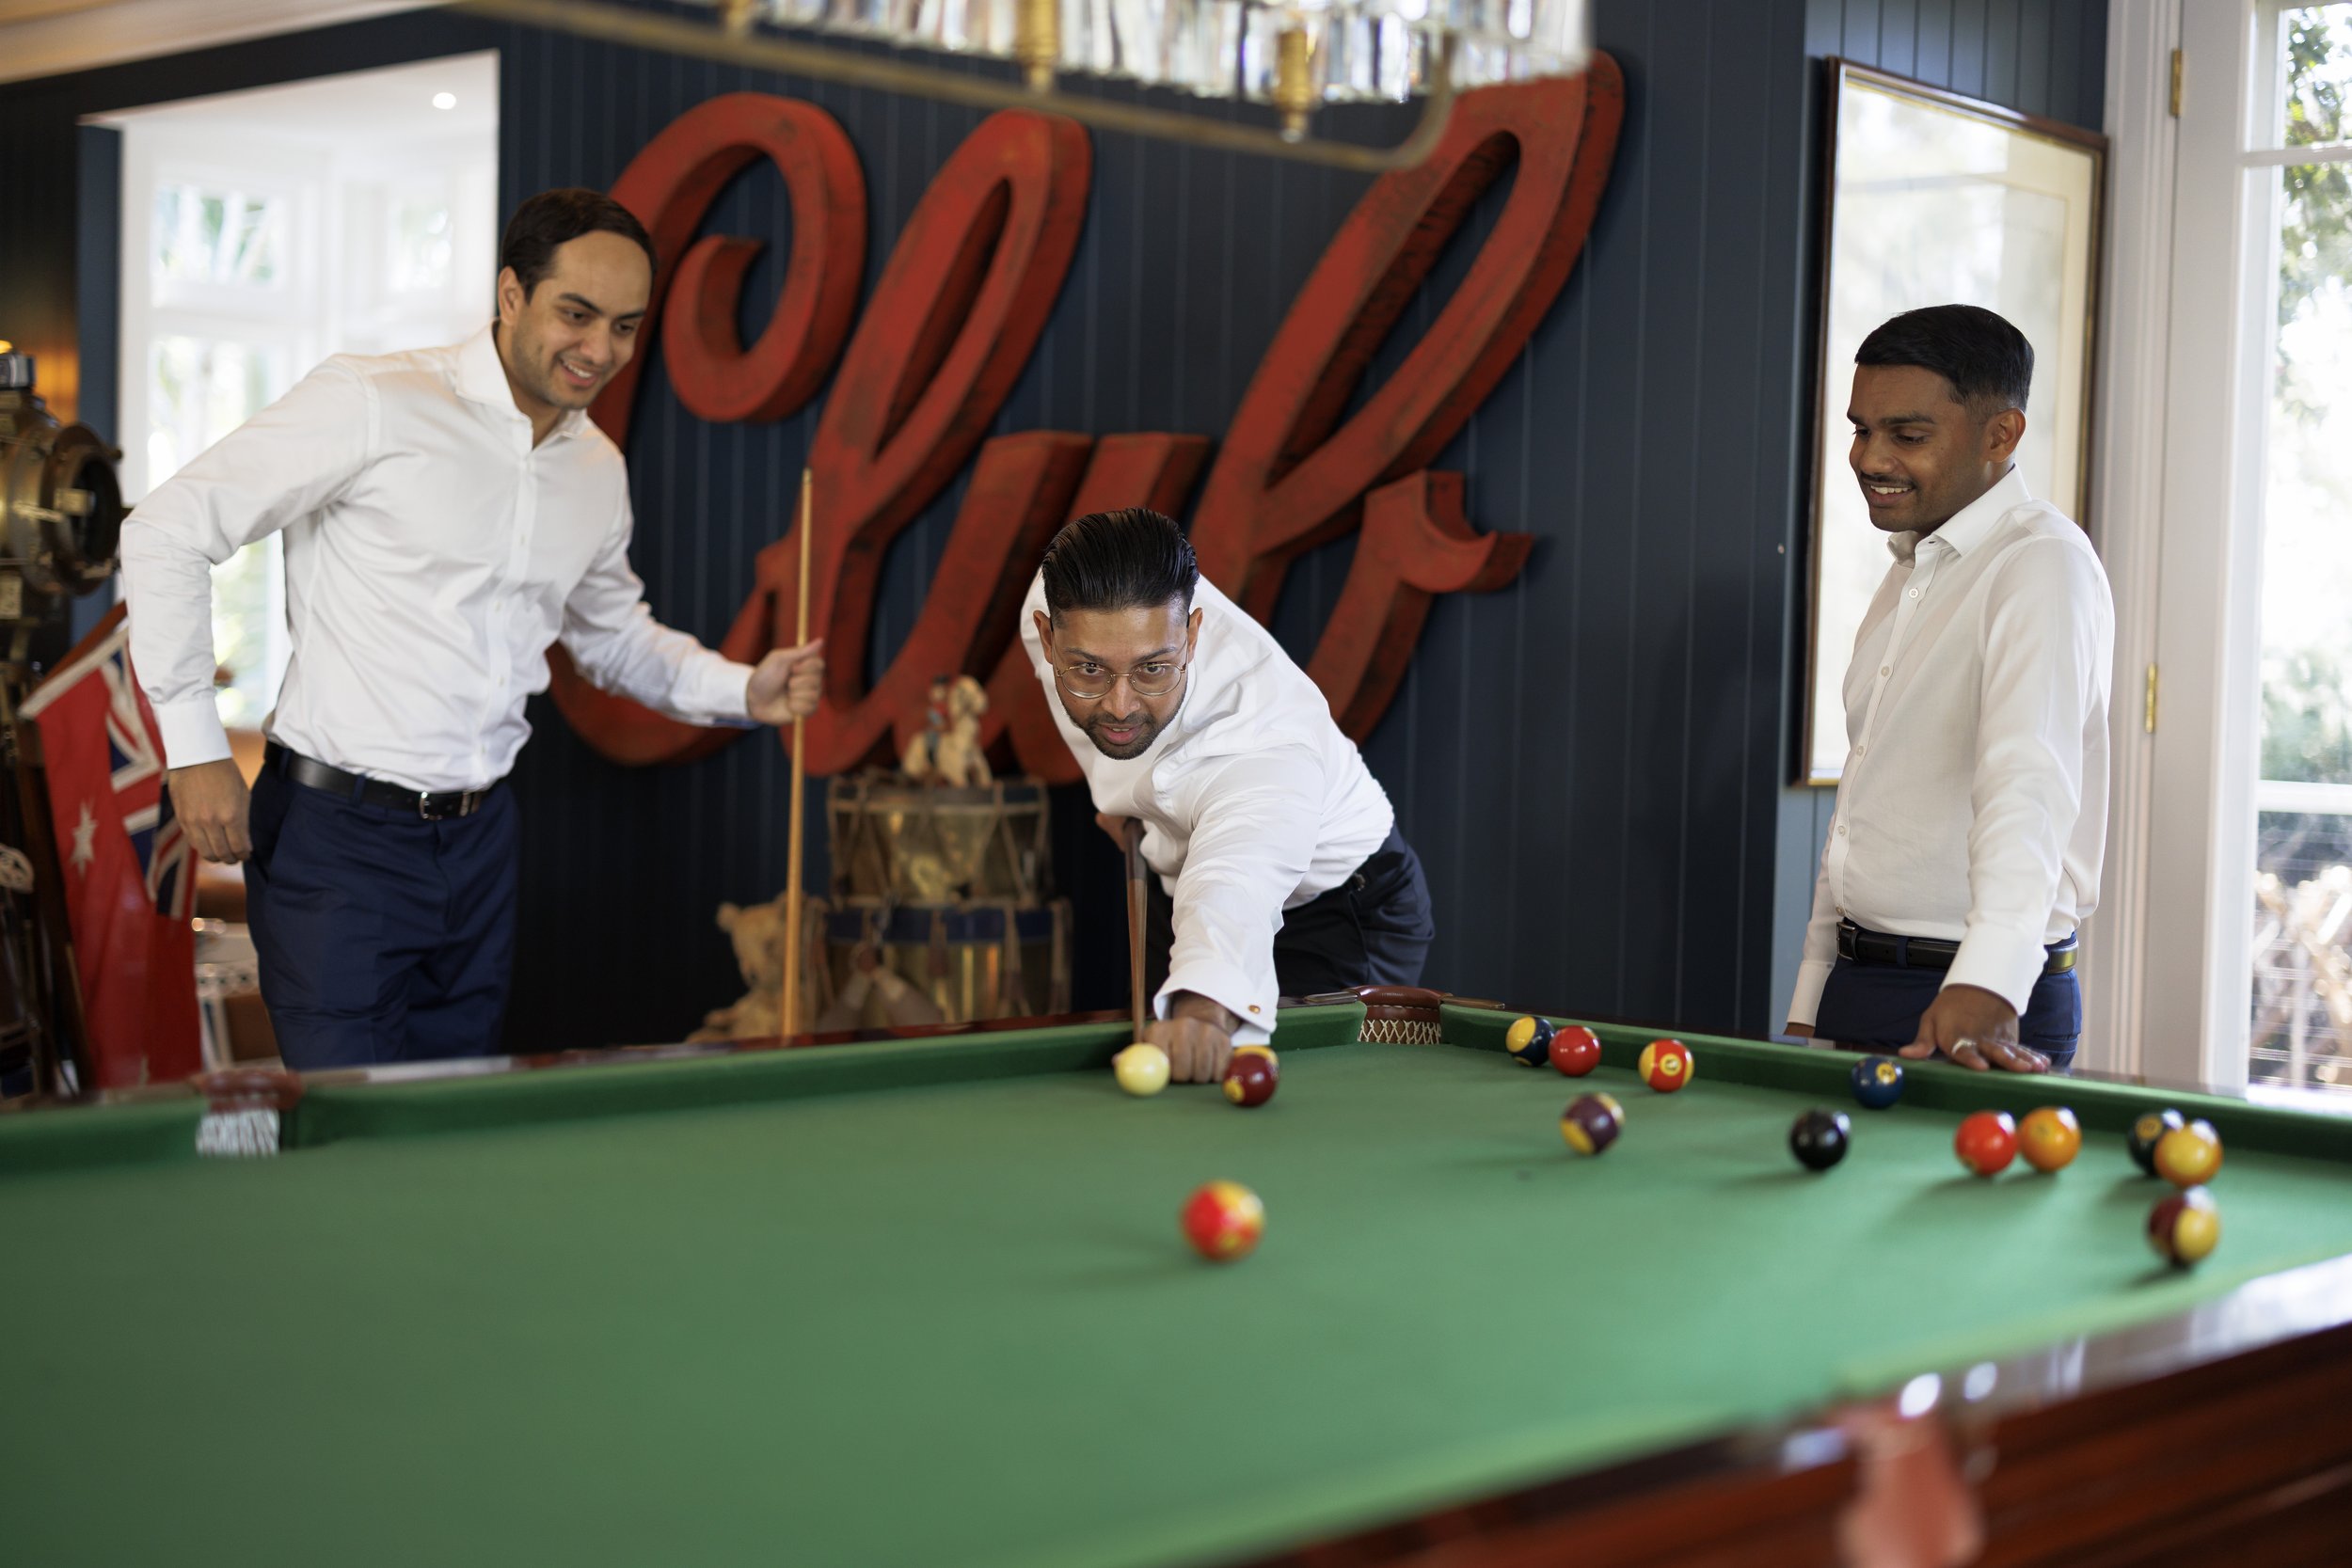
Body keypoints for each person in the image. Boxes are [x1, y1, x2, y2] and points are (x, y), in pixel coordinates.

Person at [119, 188, 825, 1069]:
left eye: (625, 325)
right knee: (353, 1137)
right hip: (339, 841)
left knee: (450, 1127)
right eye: (578, 313)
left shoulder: (596, 467)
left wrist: (742, 689)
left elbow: (612, 638)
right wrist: (194, 748)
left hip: (484, 843)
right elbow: (167, 529)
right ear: (510, 295)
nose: (601, 349)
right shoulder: (373, 400)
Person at [1785, 304, 2114, 1072]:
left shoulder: (2041, 564)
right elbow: (1863, 806)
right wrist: (1810, 996)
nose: (1869, 457)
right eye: (1861, 428)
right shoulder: (1911, 572)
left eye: (1907, 435)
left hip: (1969, 995)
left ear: (2001, 436)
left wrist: (1988, 980)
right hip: (1859, 984)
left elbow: (2027, 782)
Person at [1021, 508, 1434, 1085]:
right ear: (1047, 635)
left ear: (1192, 633)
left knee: (1289, 1105)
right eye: (1088, 668)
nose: (1119, 705)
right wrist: (1125, 799)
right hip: (1179, 879)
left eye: (1152, 669)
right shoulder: (1050, 600)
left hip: (1339, 907)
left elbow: (1235, 881)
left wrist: (1203, 1007)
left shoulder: (1263, 741)